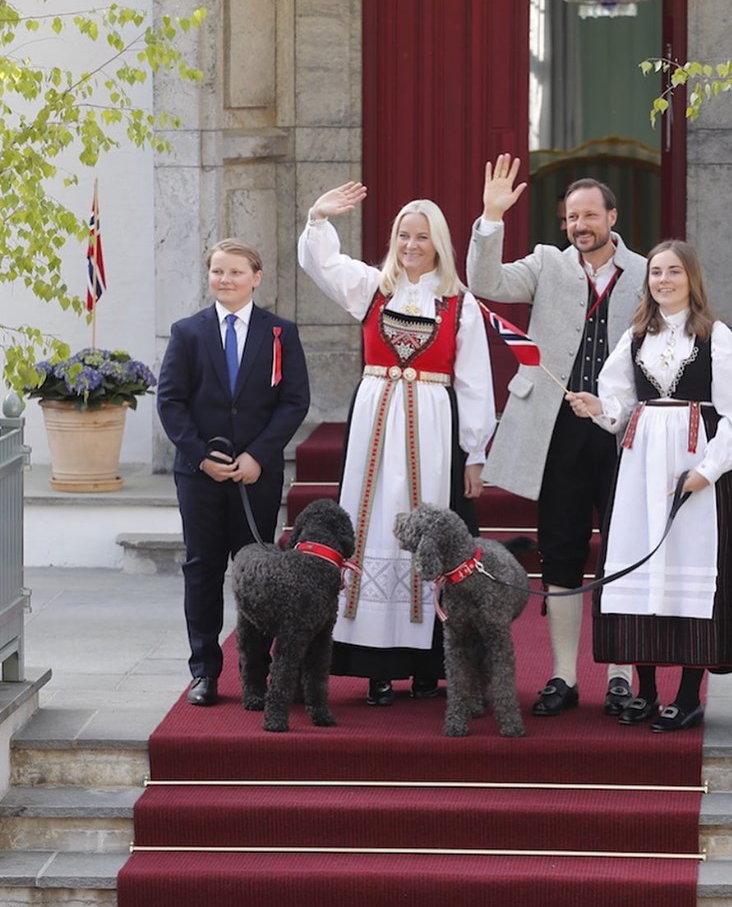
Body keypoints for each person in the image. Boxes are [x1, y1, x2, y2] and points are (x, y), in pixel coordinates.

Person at [566, 239, 732, 731]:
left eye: (673, 272)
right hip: (641, 470)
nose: (663, 280)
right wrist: (599, 409)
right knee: (639, 574)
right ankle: (645, 690)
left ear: (691, 278)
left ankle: (686, 695)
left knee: (690, 573)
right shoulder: (636, 335)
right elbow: (616, 400)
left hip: (696, 469)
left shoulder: (716, 337)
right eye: (656, 272)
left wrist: (707, 471)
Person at [297, 182, 496, 706]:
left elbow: (475, 379)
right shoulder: (371, 287)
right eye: (404, 235)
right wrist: (318, 216)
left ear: (439, 244)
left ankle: (429, 663)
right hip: (376, 423)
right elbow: (322, 264)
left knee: (430, 529)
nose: (411, 245)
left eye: (422, 237)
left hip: (433, 423)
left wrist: (475, 452)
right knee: (370, 526)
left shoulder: (459, 302)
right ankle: (374, 665)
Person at [466, 154, 647, 718]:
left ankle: (619, 676)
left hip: (624, 431)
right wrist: (490, 219)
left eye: (591, 215)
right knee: (562, 550)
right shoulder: (546, 264)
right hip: (558, 430)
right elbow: (485, 281)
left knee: (622, 551)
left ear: (612, 217)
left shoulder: (648, 272)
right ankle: (565, 676)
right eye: (572, 217)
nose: (581, 225)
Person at [157, 239, 310, 706]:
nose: (225, 280)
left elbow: (293, 401)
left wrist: (259, 456)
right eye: (217, 272)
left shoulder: (281, 332)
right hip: (200, 474)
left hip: (254, 477)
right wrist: (200, 455)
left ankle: (256, 672)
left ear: (256, 277)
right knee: (202, 570)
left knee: (256, 575)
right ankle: (203, 671)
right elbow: (171, 401)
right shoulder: (188, 333)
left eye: (235, 272)